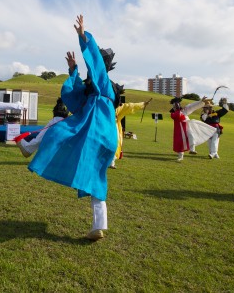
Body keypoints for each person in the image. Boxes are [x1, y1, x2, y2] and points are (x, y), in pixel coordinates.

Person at [28, 15, 119, 241]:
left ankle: (29, 146)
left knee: (59, 128)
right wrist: (73, 71)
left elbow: (95, 64)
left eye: (97, 58)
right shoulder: (95, 89)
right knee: (96, 177)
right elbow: (75, 96)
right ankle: (99, 226)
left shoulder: (105, 84)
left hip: (94, 130)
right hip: (100, 134)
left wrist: (84, 37)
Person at [110, 87, 150, 168]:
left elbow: (130, 106)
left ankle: (111, 162)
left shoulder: (118, 107)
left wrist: (143, 104)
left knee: (115, 143)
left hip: (114, 128)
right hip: (105, 127)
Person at [170, 97, 216, 161]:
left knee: (191, 135)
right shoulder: (173, 114)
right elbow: (178, 116)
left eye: (177, 105)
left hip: (187, 126)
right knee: (180, 143)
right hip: (179, 130)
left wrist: (201, 101)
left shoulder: (184, 110)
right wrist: (178, 110)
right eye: (175, 106)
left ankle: (192, 149)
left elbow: (192, 106)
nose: (176, 107)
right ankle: (180, 157)